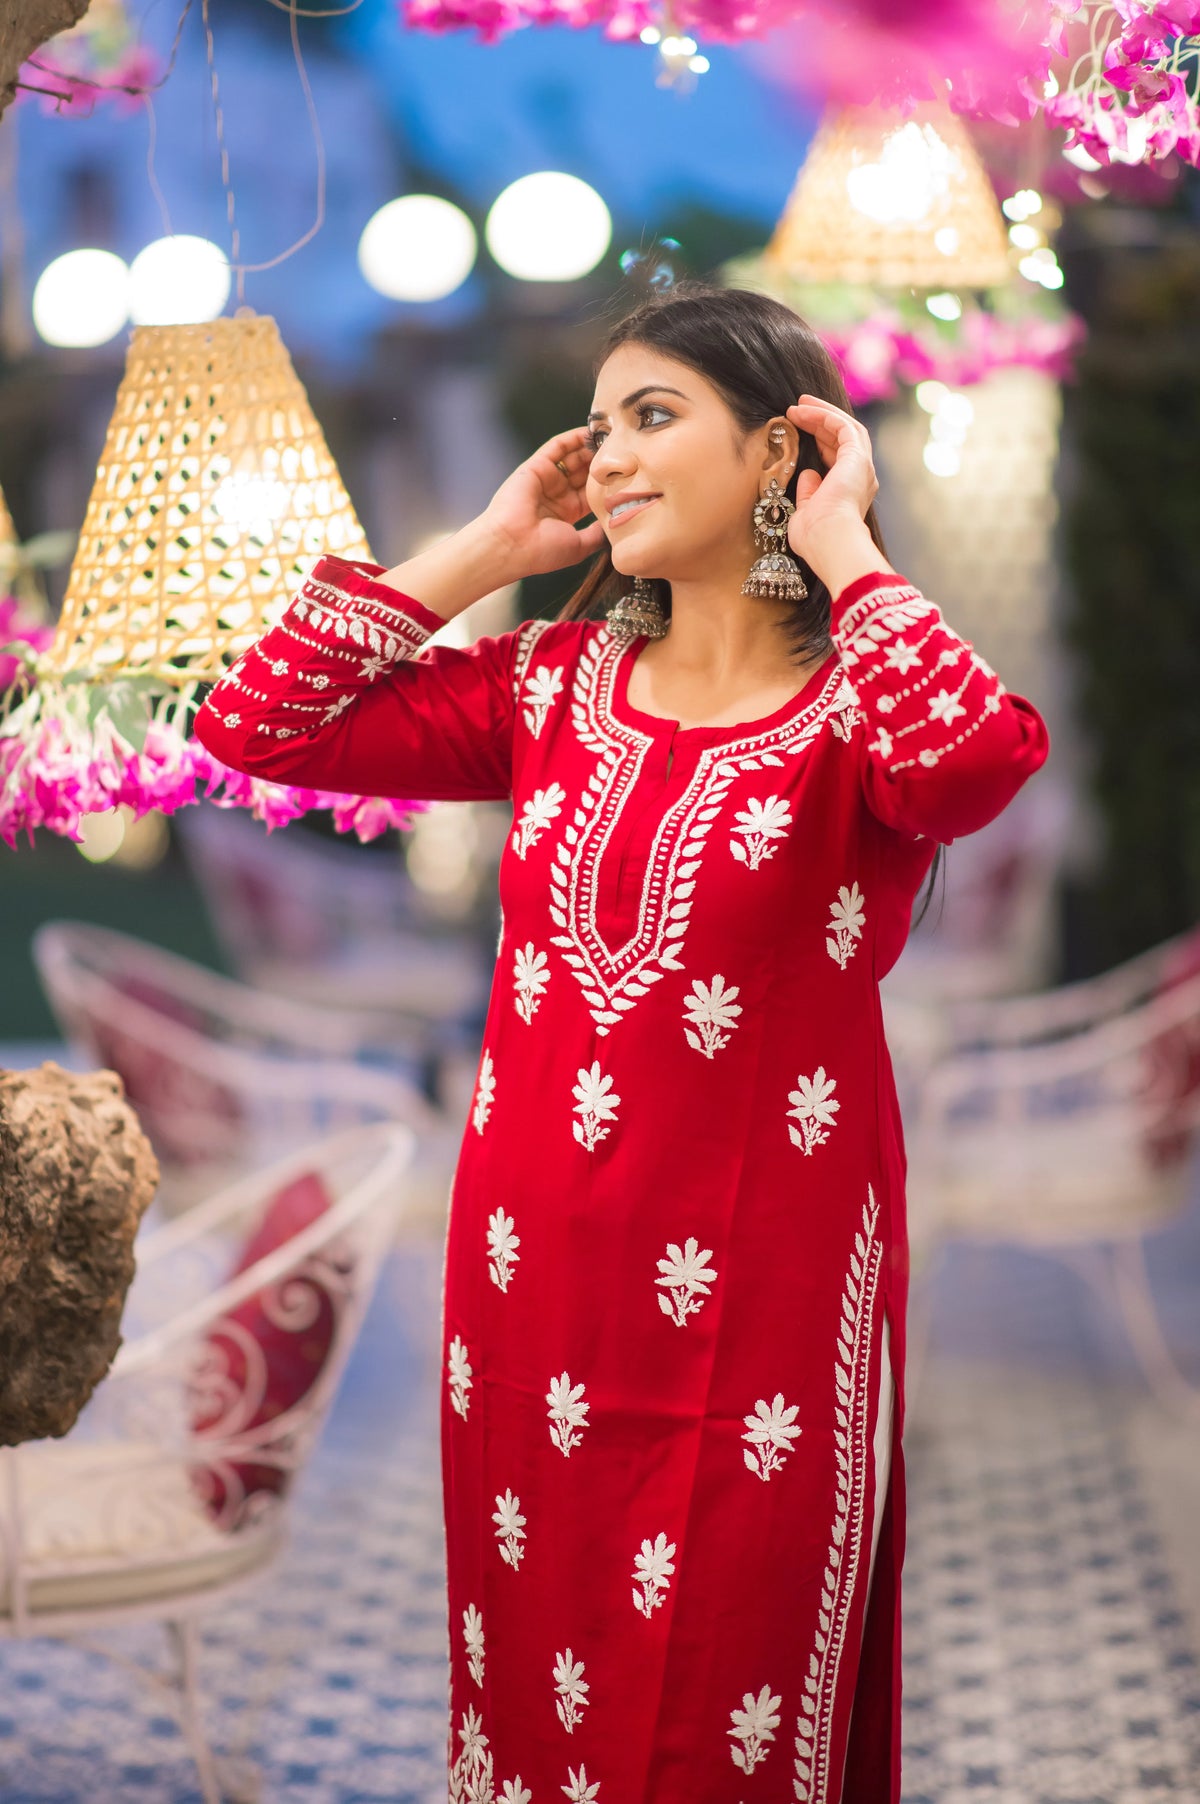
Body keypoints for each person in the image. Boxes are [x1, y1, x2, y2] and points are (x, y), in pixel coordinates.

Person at [194, 283, 1049, 1803]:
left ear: (781, 449)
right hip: (530, 1292)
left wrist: (845, 546)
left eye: (655, 417)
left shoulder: (861, 711)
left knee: (727, 1686)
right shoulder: (548, 685)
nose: (611, 457)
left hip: (764, 1311)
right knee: (541, 1669)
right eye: (599, 428)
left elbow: (973, 765)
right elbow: (259, 724)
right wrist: (486, 550)